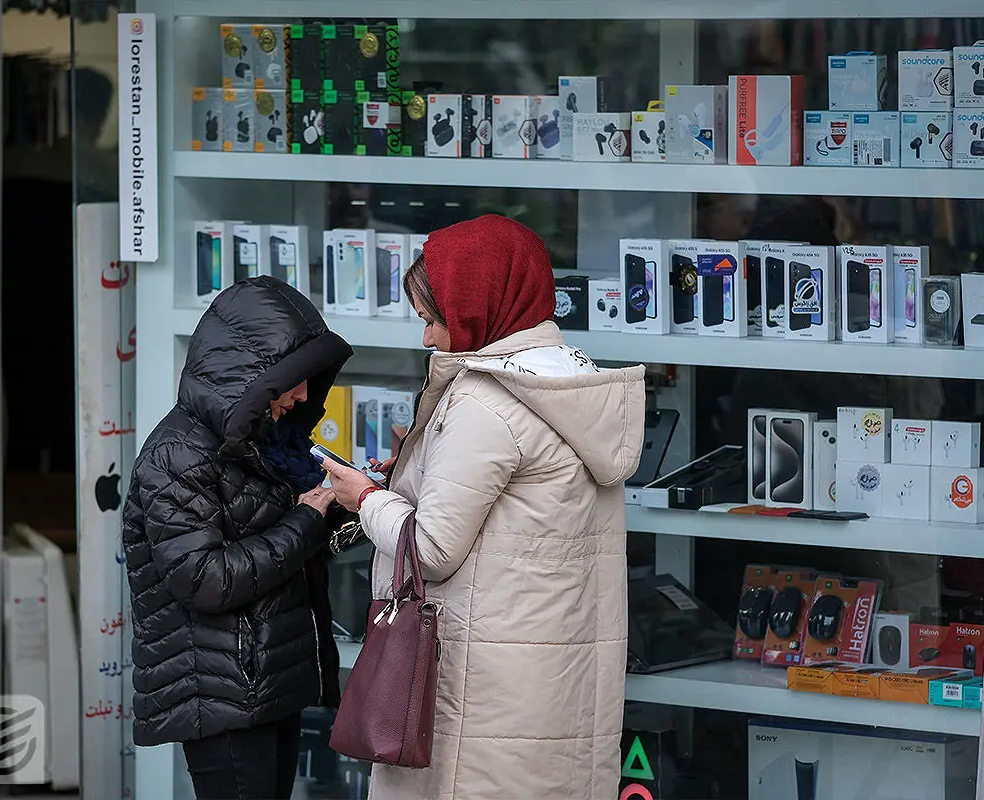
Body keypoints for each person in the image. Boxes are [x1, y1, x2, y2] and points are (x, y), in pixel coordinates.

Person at [323, 214, 647, 800]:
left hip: (480, 693)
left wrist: (365, 497)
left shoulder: (485, 400)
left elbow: (431, 549)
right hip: (551, 685)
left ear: (477, 304)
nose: (427, 339)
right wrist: (417, 469)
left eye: (433, 319)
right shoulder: (571, 382)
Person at [122, 276, 354, 800]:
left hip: (267, 681)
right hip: (222, 695)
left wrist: (357, 500)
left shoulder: (263, 443)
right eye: (293, 379)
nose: (302, 395)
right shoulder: (176, 456)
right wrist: (308, 520)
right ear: (251, 376)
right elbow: (204, 579)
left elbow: (290, 537)